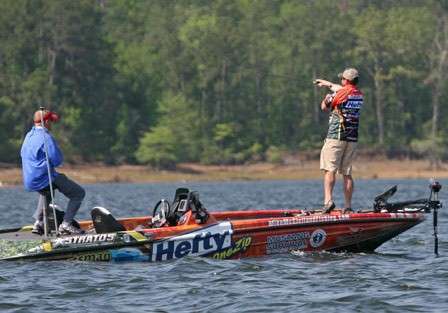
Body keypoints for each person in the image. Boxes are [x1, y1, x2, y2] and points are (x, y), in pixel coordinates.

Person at [20, 109, 85, 235]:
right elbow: (57, 160)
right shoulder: (46, 137)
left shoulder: (28, 135)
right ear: (46, 122)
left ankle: (38, 223)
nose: (51, 124)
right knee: (78, 193)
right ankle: (66, 224)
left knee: (48, 193)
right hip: (45, 178)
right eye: (50, 121)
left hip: (29, 180)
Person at [314, 68, 363, 213]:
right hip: (352, 137)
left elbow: (324, 107)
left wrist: (328, 95)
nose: (341, 81)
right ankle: (348, 207)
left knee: (330, 170)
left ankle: (328, 201)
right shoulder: (359, 94)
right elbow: (343, 89)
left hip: (336, 137)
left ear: (346, 80)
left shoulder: (339, 93)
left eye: (342, 79)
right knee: (347, 173)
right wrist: (327, 83)